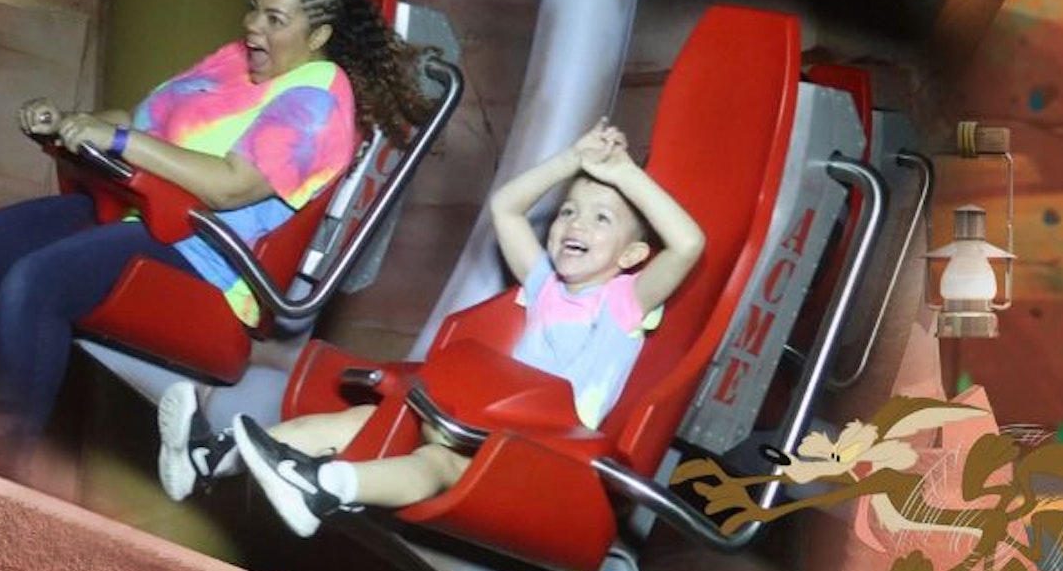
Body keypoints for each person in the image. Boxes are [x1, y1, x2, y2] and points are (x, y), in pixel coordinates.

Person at [0, 0, 432, 472]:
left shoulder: (318, 100)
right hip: (139, 210)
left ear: (318, 37)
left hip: (207, 256)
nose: (252, 26)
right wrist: (73, 122)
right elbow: (143, 123)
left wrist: (118, 137)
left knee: (36, 281)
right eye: (255, 9)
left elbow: (228, 187)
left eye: (274, 20)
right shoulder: (239, 60)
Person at [158, 120, 704, 537]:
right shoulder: (545, 286)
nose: (575, 225)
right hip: (491, 415)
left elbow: (688, 244)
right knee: (365, 421)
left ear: (632, 254)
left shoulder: (624, 301)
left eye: (600, 218)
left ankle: (321, 490)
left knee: (437, 464)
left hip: (549, 446)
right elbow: (506, 208)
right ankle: (212, 458)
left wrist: (620, 172)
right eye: (567, 212)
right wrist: (571, 160)